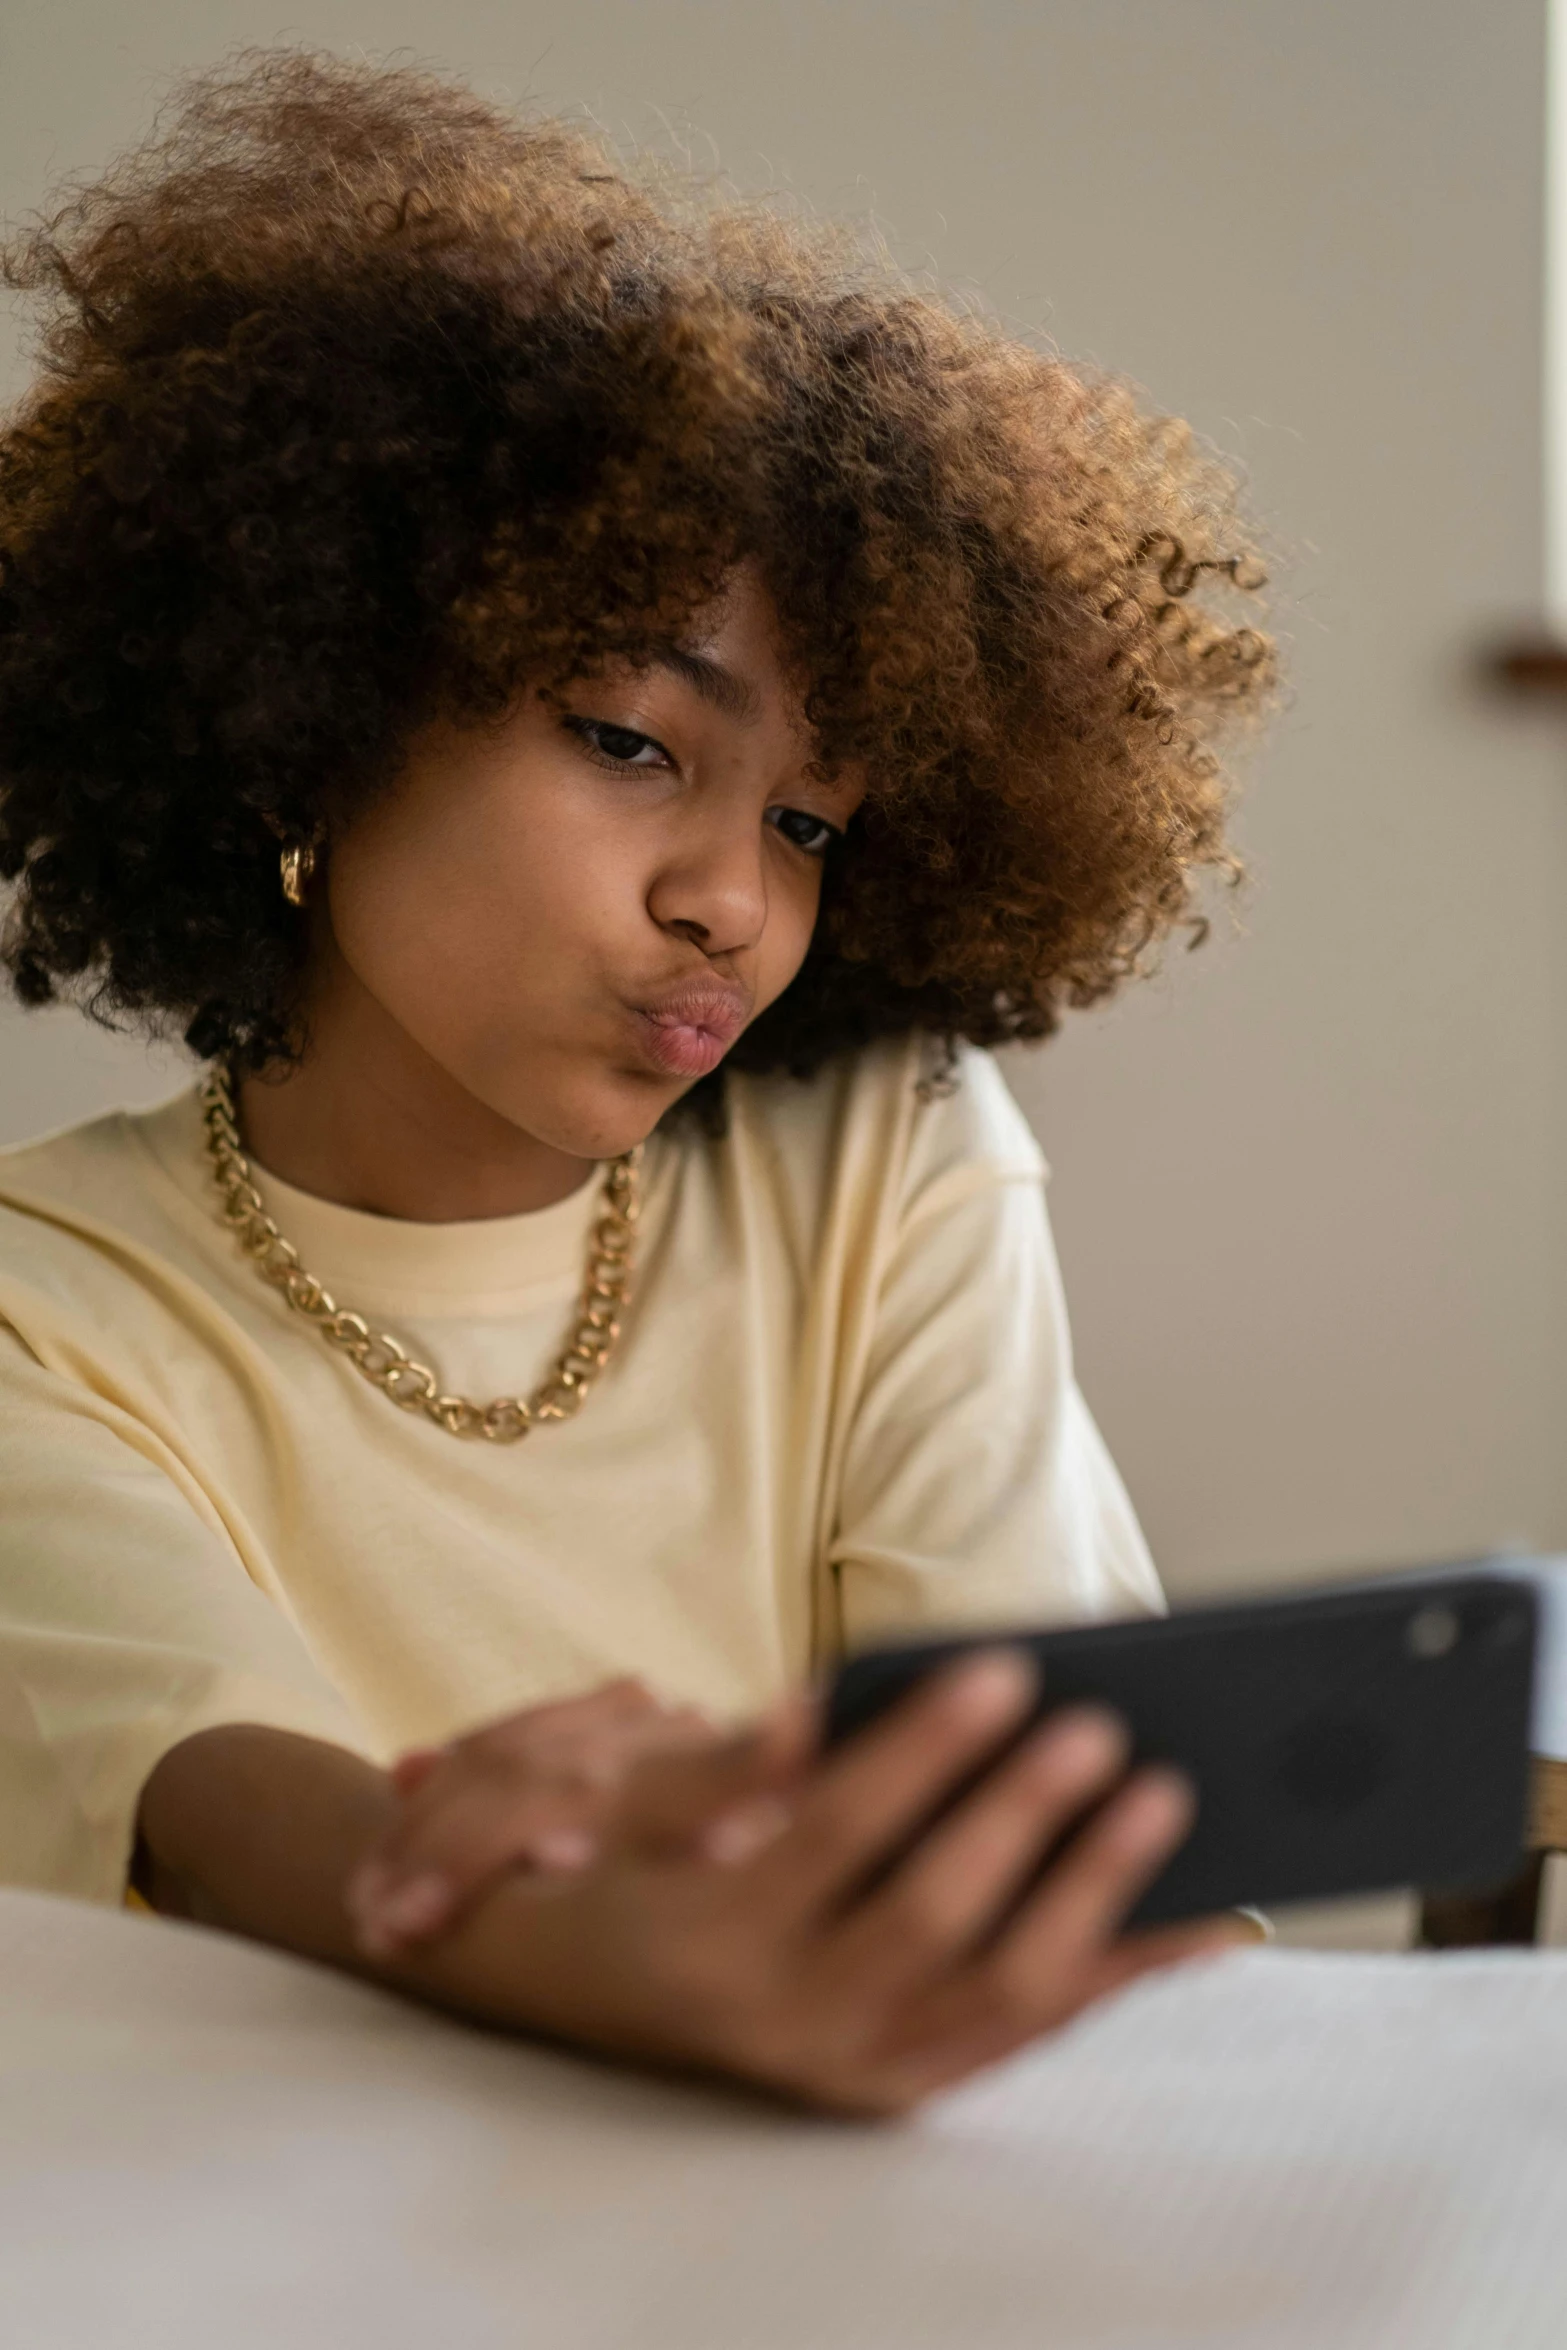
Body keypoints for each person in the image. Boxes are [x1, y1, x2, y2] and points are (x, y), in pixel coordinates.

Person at [0, 51, 1272, 2115]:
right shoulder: (41, 1300)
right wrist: (566, 1893)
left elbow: (1040, 1777)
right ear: (306, 718)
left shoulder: (876, 1146)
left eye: (814, 823)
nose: (730, 904)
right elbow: (237, 1806)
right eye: (627, 739)